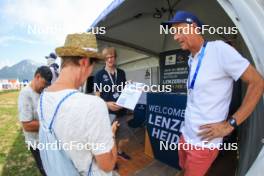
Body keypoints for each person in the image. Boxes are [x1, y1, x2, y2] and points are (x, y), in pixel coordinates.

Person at [162, 11, 264, 176]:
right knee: (183, 168)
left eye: (179, 31)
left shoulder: (219, 49)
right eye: (173, 32)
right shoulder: (191, 59)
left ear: (193, 27)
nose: (175, 37)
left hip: (203, 144)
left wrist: (230, 124)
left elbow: (258, 82)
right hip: (185, 135)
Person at [37, 33, 119, 176]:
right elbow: (107, 165)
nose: (89, 73)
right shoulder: (93, 105)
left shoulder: (43, 98)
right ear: (84, 62)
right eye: (92, 67)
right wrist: (111, 135)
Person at [94, 47, 131, 162]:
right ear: (104, 59)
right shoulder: (99, 75)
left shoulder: (121, 73)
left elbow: (124, 90)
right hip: (108, 113)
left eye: (112, 57)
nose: (110, 60)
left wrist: (130, 87)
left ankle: (119, 152)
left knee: (125, 138)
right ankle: (112, 159)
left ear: (115, 58)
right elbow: (97, 96)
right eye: (107, 57)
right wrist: (106, 104)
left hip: (122, 112)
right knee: (110, 138)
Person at [18, 66, 52, 176]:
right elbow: (27, 125)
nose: (45, 87)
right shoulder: (26, 94)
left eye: (47, 85)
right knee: (45, 169)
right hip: (36, 143)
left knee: (52, 166)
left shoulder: (43, 91)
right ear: (37, 77)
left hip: (45, 139)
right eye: (44, 84)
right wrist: (51, 124)